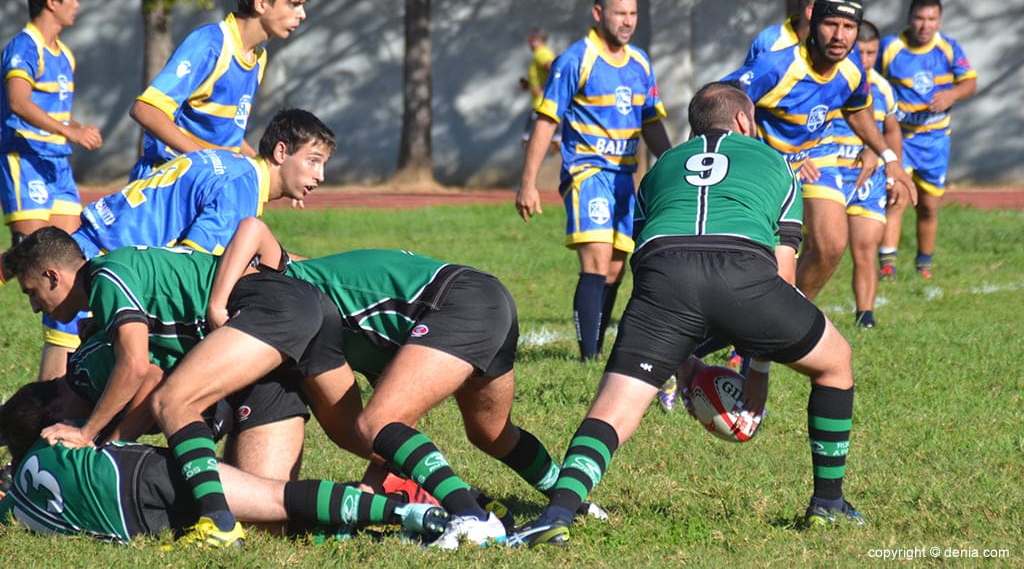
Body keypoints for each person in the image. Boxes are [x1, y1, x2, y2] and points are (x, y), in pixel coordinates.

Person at [508, 82, 863, 549]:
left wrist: (681, 359)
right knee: (835, 364)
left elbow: (649, 263)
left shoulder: (660, 168)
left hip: (664, 276)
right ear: (744, 121)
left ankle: (556, 514)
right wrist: (757, 373)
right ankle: (828, 503)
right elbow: (783, 277)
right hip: (743, 270)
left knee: (613, 409)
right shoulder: (776, 162)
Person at [188, 216, 606, 549]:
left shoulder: (285, 282)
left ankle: (472, 517)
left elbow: (252, 227)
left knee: (377, 422)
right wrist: (367, 493)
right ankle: (569, 499)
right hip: (483, 299)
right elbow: (390, 436)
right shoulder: (328, 332)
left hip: (458, 302)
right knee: (490, 433)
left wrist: (217, 305)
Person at [3, 230, 344, 548]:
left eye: (31, 292)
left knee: (173, 402)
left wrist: (91, 436)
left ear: (53, 276)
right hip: (282, 329)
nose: (34, 306)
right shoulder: (107, 294)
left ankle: (217, 522)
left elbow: (138, 368)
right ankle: (361, 515)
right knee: (271, 509)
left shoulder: (106, 278)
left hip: (270, 311)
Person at [16, 107, 334, 381]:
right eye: (313, 161)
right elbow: (191, 268)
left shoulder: (232, 165)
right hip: (100, 260)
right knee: (75, 377)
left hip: (92, 244)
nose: (320, 176)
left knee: (76, 365)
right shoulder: (240, 187)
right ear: (281, 152)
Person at [0, 379, 448, 544]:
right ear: (53, 424)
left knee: (264, 518)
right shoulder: (61, 439)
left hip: (138, 526)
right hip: (136, 474)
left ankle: (374, 521)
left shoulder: (15, 498)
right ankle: (409, 512)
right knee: (275, 499)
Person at [516, 0, 671, 362]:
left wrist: (671, 163)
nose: (628, 21)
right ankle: (588, 359)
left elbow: (650, 121)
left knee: (616, 268)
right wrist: (528, 183)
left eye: (633, 14)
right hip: (587, 173)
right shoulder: (576, 59)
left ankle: (596, 350)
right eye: (620, 14)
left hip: (624, 178)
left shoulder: (640, 63)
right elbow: (546, 120)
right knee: (597, 260)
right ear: (598, 13)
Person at [739, 0, 915, 301]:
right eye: (831, 24)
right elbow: (722, 100)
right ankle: (751, 321)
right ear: (814, 23)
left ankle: (787, 318)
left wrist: (888, 157)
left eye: (848, 27)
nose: (839, 35)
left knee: (831, 246)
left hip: (816, 157)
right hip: (769, 164)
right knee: (769, 259)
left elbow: (857, 109)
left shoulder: (852, 70)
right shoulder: (777, 66)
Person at [128, 0, 308, 180]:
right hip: (166, 181)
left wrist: (265, 172)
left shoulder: (258, 56)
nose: (302, 14)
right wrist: (208, 163)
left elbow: (225, 135)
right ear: (261, 3)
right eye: (294, 4)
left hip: (204, 181)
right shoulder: (211, 43)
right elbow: (146, 110)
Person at [0, 0, 102, 274]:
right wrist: (70, 132)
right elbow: (18, 102)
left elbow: (54, 115)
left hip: (57, 163)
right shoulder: (25, 47)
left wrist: (78, 128)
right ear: (52, 2)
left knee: (70, 256)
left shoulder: (65, 55)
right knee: (30, 255)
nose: (77, 4)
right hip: (26, 158)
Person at [876, 0, 977, 280]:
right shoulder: (891, 48)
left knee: (929, 206)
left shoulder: (948, 48)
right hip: (901, 139)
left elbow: (970, 82)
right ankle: (887, 266)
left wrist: (952, 94)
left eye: (932, 19)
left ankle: (924, 266)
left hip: (935, 141)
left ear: (939, 20)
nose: (925, 25)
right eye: (919, 18)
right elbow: (871, 79)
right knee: (896, 198)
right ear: (910, 18)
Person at [829, 21, 903, 328]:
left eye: (872, 53)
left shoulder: (883, 88)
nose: (866, 59)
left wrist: (892, 171)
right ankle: (797, 311)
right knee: (823, 249)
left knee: (865, 247)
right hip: (831, 176)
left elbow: (892, 130)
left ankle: (866, 317)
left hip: (868, 182)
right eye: (860, 52)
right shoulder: (832, 79)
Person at [724, 0, 837, 84]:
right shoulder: (769, 42)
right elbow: (745, 86)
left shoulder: (841, 49)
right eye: (834, 11)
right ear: (811, 12)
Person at [518, 27, 560, 156]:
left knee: (528, 139)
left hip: (543, 104)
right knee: (554, 139)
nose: (528, 42)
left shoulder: (541, 53)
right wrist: (530, 85)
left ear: (537, 40)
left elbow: (555, 69)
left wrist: (546, 88)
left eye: (531, 39)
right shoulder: (539, 54)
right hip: (542, 103)